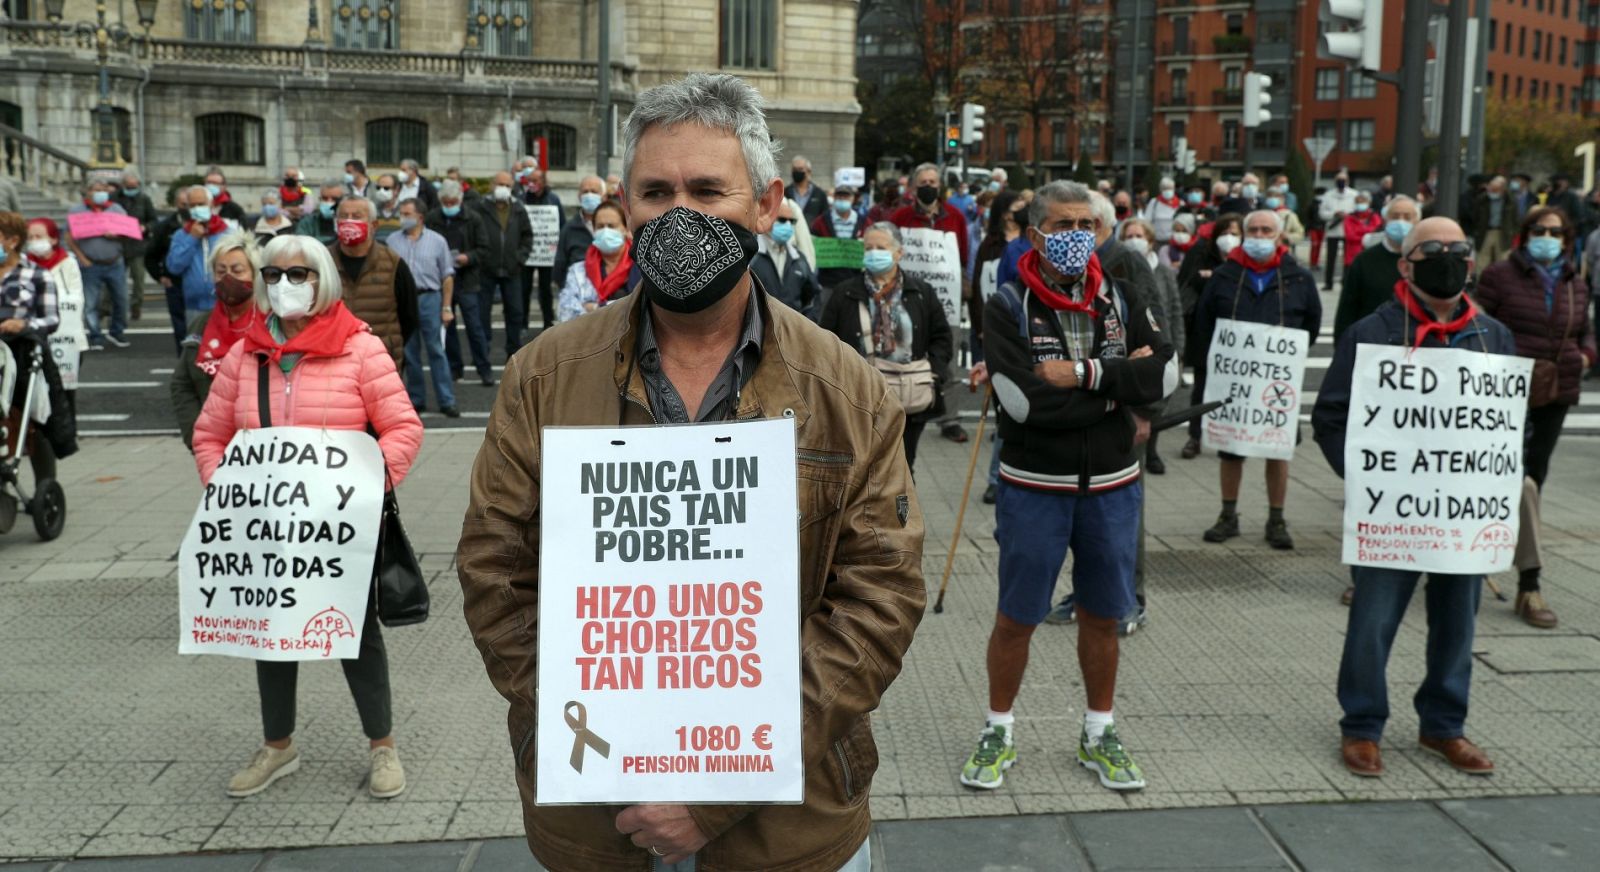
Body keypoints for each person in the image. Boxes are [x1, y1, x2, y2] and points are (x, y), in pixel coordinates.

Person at [457, 72, 919, 872]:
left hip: (788, 832)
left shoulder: (846, 391)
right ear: (624, 207)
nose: (681, 214)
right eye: (655, 191)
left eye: (710, 191)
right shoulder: (542, 377)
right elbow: (495, 574)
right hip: (601, 824)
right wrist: (608, 748)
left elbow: (877, 601)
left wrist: (715, 791)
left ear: (767, 205)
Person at [191, 233, 423, 801]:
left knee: (354, 633)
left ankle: (382, 745)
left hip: (338, 530)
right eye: (272, 275)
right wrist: (228, 490)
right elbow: (210, 434)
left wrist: (366, 488)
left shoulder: (360, 348)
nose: (284, 285)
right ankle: (278, 746)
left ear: (323, 281)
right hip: (266, 528)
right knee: (271, 634)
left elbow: (403, 428)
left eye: (299, 275)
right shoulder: (246, 353)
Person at [960, 180, 1172, 794]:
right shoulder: (1007, 304)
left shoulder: (1124, 294)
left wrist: (1080, 374)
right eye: (1062, 226)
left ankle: (1098, 731)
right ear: (1035, 234)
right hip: (1034, 487)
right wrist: (1116, 391)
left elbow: (1164, 374)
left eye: (1087, 225)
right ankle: (998, 727)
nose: (1077, 236)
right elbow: (1023, 403)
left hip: (1112, 487)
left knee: (1103, 616)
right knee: (1017, 618)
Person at [1312, 216, 1508, 780]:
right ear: (1406, 263)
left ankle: (1443, 726)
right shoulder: (1370, 333)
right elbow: (1330, 417)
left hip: (1460, 513)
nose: (1448, 257)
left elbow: (1503, 423)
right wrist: (1366, 480)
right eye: (1433, 249)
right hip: (1392, 512)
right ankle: (1362, 726)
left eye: (1458, 249)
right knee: (1372, 619)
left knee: (1458, 621)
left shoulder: (1492, 334)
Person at [1474, 206, 1595, 629]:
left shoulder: (1573, 282)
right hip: (1504, 393)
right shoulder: (1499, 277)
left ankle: (1528, 582)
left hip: (1555, 390)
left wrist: (1585, 355)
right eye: (1539, 230)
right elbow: (1474, 323)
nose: (1547, 236)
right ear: (1525, 235)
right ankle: (1480, 558)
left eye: (1555, 231)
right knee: (1501, 478)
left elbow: (1584, 329)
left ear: (1566, 238)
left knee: (1533, 479)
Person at [1192, 210, 1321, 550]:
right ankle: (1228, 515)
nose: (1259, 236)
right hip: (1234, 380)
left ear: (1279, 237)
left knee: (1278, 451)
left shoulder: (1299, 278)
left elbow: (1312, 324)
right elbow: (1204, 325)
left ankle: (1276, 519)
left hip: (1276, 382)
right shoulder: (1224, 275)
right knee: (1230, 451)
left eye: (1266, 230)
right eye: (1253, 230)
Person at [818, 221, 951, 472]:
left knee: (902, 466)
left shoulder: (922, 292)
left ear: (899, 253)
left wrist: (934, 373)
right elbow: (825, 341)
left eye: (881, 247)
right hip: (858, 397)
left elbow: (942, 338)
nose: (873, 253)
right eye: (868, 248)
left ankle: (900, 510)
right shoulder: (845, 292)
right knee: (863, 467)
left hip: (908, 395)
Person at [890, 162, 971, 443]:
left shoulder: (956, 218)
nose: (928, 187)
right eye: (923, 182)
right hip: (906, 302)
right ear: (914, 187)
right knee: (902, 356)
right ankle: (899, 412)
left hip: (946, 301)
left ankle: (951, 419)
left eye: (933, 182)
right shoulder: (901, 217)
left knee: (945, 359)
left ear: (940, 186)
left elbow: (961, 257)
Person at [169, 231, 262, 449]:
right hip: (215, 444)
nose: (228, 278)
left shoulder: (271, 323)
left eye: (237, 270)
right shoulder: (201, 325)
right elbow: (182, 384)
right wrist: (197, 437)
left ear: (256, 275)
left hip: (263, 446)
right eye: (221, 271)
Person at [1119, 217, 1184, 474]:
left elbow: (1175, 310)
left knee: (1158, 398)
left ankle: (1153, 450)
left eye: (1139, 235)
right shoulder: (1122, 267)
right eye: (1128, 236)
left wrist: (1179, 348)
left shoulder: (1163, 271)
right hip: (1135, 345)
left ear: (1149, 240)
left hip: (1161, 340)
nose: (1134, 240)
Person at [1176, 213, 1243, 459]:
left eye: (1235, 234)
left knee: (1235, 389)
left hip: (1238, 339)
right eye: (1225, 233)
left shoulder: (1245, 263)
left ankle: (1232, 438)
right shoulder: (1201, 254)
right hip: (1205, 334)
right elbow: (1187, 281)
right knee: (1201, 389)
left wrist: (1211, 276)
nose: (1229, 239)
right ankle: (1195, 437)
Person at [387, 198, 457, 417]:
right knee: (409, 352)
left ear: (420, 217)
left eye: (407, 213)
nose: (403, 217)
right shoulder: (392, 241)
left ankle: (446, 400)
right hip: (404, 300)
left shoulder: (437, 241)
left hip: (429, 298)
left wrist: (446, 306)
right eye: (402, 213)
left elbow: (447, 276)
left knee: (436, 349)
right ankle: (417, 399)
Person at [331, 197, 417, 367]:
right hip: (334, 359)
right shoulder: (322, 260)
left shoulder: (393, 263)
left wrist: (390, 345)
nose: (349, 221)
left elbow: (409, 316)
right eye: (343, 215)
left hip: (381, 361)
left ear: (374, 225)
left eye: (356, 216)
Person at [426, 179, 495, 387]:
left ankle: (484, 368)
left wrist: (468, 257)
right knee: (449, 326)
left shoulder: (473, 218)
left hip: (468, 280)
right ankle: (455, 368)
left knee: (475, 327)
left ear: (460, 199)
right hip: (443, 279)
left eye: (452, 202)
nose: (449, 206)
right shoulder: (432, 218)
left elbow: (484, 248)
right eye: (445, 202)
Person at [24, 218, 87, 413]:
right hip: (34, 336)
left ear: (52, 239)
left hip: (66, 338)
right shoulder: (24, 265)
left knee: (65, 390)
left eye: (39, 236)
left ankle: (67, 435)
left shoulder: (68, 263)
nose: (34, 241)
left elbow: (76, 296)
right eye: (31, 237)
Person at [1335, 196, 1418, 340]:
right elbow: (1347, 309)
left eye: (1407, 217)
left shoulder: (1423, 260)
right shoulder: (1364, 260)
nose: (1400, 221)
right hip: (1371, 342)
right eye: (1395, 216)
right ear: (1385, 220)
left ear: (1416, 222)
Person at [472, 170, 533, 360]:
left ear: (512, 187)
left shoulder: (519, 209)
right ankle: (483, 351)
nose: (503, 189)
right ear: (492, 185)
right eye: (500, 184)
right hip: (486, 269)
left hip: (512, 268)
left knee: (515, 311)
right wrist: (480, 258)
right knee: (482, 312)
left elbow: (527, 236)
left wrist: (520, 258)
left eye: (507, 185)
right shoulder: (480, 207)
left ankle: (513, 352)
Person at [66, 179, 131, 349]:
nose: (101, 192)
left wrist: (115, 235)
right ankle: (95, 335)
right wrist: (81, 258)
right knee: (91, 303)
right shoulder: (77, 211)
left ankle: (117, 331)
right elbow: (69, 238)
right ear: (87, 192)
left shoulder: (116, 210)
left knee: (121, 299)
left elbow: (128, 233)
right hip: (90, 263)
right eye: (96, 189)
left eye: (104, 189)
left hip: (115, 262)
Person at [555, 199, 633, 323]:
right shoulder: (578, 271)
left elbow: (644, 311)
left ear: (625, 228)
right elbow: (565, 313)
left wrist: (596, 307)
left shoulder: (641, 266)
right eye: (600, 226)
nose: (605, 231)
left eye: (611, 226)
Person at [166, 185, 233, 327]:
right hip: (194, 307)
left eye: (201, 204)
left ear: (211, 204)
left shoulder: (228, 233)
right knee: (196, 347)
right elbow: (174, 267)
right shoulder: (181, 235)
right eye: (192, 205)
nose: (197, 208)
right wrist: (192, 238)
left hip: (225, 305)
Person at [752, 198, 824, 318]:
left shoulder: (799, 258)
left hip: (791, 333)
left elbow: (813, 296)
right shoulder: (750, 255)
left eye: (792, 221)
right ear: (766, 218)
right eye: (782, 220)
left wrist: (805, 326)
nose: (788, 225)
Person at [518, 167, 562, 330]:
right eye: (529, 181)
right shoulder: (521, 199)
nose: (531, 184)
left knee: (545, 290)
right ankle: (523, 323)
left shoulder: (553, 199)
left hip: (546, 254)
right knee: (524, 289)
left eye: (535, 181)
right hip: (527, 253)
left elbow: (561, 224)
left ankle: (547, 322)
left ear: (543, 182)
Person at [551, 175, 607, 301]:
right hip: (579, 298)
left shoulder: (616, 224)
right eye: (585, 191)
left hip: (611, 295)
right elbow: (560, 265)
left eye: (594, 191)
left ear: (603, 196)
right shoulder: (569, 229)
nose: (589, 195)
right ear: (579, 196)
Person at [114, 168, 157, 321]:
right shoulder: (114, 199)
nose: (132, 189)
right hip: (118, 245)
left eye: (134, 186)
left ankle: (136, 306)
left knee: (138, 280)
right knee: (116, 280)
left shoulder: (144, 199)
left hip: (137, 246)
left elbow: (153, 220)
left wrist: (145, 227)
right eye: (129, 186)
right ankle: (110, 307)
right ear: (123, 184)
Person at [1318, 173, 1359, 289]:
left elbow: (1358, 212)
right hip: (1333, 230)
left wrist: (1347, 215)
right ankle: (1328, 283)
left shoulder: (1354, 194)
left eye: (1344, 180)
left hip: (1348, 231)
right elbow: (1322, 213)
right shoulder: (1328, 195)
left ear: (1348, 181)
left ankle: (1346, 282)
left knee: (1348, 259)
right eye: (1339, 180)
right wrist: (1334, 214)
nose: (1341, 182)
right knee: (1330, 258)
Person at [1470, 176, 1519, 269]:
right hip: (1485, 232)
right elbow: (1475, 216)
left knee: (1502, 261)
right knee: (1482, 261)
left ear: (1503, 188)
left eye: (1496, 189)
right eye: (1491, 188)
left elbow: (1515, 219)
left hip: (1503, 233)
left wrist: (1512, 233)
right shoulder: (1482, 199)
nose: (1492, 191)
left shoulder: (1510, 200)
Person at [295, 179, 346, 245]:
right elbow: (301, 244)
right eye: (325, 198)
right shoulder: (307, 223)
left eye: (334, 199)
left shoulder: (349, 222)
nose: (329, 202)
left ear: (342, 200)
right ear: (320, 199)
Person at [1341, 191, 1383, 266]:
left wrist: (1358, 230)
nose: (1360, 204)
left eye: (1363, 202)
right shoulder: (1349, 218)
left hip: (1371, 255)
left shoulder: (1374, 217)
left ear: (1369, 203)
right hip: (1352, 257)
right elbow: (1350, 236)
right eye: (1358, 202)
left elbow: (1377, 233)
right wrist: (1367, 233)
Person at [785, 154, 829, 226]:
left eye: (800, 169)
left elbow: (825, 217)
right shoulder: (785, 192)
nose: (797, 172)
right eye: (794, 169)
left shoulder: (820, 194)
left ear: (809, 171)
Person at [1142, 176, 1184, 243]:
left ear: (1174, 189)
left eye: (1169, 188)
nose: (1167, 191)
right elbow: (1146, 221)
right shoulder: (1154, 202)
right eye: (1165, 188)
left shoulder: (1180, 204)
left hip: (1175, 242)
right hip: (1156, 240)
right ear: (1160, 190)